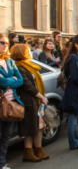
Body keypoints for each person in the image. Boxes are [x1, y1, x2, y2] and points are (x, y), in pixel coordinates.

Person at [11, 44, 49, 162]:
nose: (31, 52)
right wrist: (41, 97)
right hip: (28, 100)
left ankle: (38, 149)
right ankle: (28, 152)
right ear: (22, 52)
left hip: (36, 100)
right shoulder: (19, 67)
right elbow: (27, 85)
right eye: (28, 51)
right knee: (29, 127)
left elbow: (36, 83)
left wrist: (43, 95)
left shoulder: (29, 65)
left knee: (39, 126)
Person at [0, 34, 24, 168]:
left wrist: (8, 83)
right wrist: (11, 81)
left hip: (10, 104)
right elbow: (1, 82)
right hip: (0, 104)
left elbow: (20, 80)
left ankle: (2, 163)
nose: (5, 45)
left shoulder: (10, 61)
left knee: (6, 136)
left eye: (7, 43)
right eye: (2, 42)